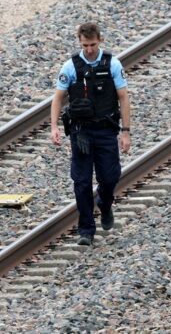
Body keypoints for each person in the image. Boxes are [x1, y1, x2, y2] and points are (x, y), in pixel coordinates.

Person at [50, 23, 131, 246]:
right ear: (79, 41)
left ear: (100, 40)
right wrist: (54, 127)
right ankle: (86, 229)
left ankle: (104, 204)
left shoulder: (112, 64)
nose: (89, 50)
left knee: (110, 176)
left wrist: (126, 132)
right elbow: (57, 98)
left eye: (93, 44)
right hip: (81, 132)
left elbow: (123, 98)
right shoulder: (70, 67)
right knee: (82, 182)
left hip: (106, 129)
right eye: (85, 45)